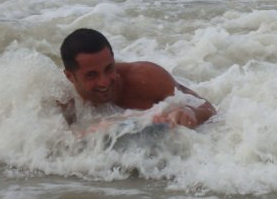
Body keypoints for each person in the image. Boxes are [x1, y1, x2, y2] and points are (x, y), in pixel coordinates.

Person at [59, 28, 216, 129]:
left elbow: (208, 108)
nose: (104, 82)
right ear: (70, 76)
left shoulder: (147, 78)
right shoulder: (63, 100)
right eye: (91, 75)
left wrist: (189, 112)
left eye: (109, 68)